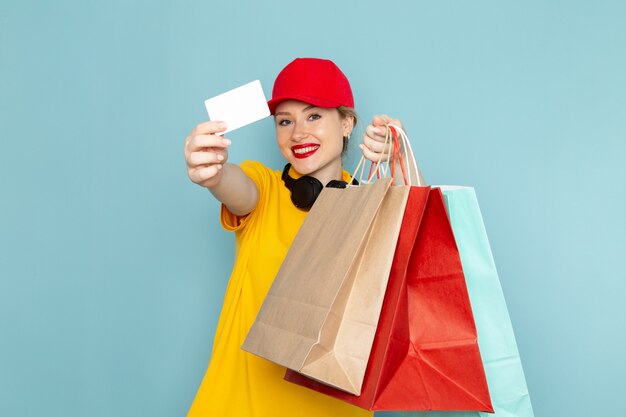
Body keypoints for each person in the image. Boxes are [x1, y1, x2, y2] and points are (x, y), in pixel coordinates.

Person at [183, 57, 418, 417]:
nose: (297, 133)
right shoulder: (264, 188)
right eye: (285, 121)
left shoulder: (372, 207)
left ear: (347, 123)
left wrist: (398, 157)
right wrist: (211, 173)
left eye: (313, 116)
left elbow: (415, 245)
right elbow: (235, 188)